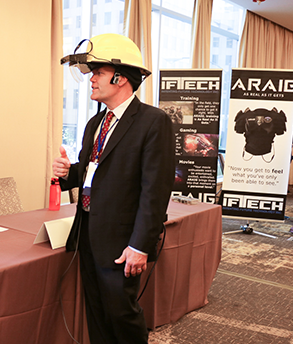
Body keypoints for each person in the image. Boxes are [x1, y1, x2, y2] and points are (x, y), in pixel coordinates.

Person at [54, 33, 175, 343]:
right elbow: (94, 170)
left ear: (121, 78)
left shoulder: (153, 122)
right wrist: (70, 174)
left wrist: (140, 246)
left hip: (122, 243)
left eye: (98, 73)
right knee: (96, 313)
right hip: (88, 235)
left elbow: (155, 192)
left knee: (122, 315)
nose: (92, 80)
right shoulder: (96, 123)